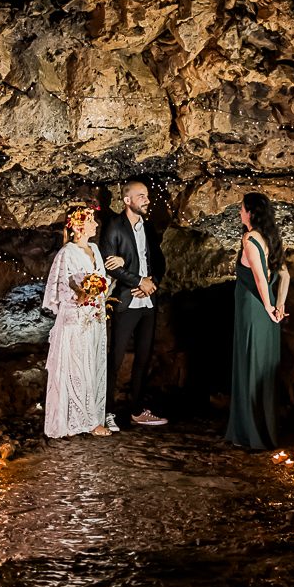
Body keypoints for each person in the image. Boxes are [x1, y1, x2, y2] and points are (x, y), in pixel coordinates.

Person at [42, 204, 125, 438]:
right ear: (78, 226)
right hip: (75, 320)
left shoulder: (95, 249)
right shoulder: (67, 253)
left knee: (94, 365)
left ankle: (93, 416)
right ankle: (83, 420)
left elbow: (102, 278)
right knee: (78, 369)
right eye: (91, 221)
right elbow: (63, 286)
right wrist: (81, 293)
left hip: (95, 318)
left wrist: (108, 278)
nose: (96, 224)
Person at [100, 179, 168, 428]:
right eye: (142, 196)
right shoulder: (113, 226)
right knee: (115, 359)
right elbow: (110, 265)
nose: (147, 200)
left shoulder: (149, 229)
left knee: (143, 357)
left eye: (147, 196)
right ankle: (105, 411)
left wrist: (153, 282)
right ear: (127, 200)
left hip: (148, 301)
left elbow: (160, 261)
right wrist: (140, 281)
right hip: (126, 301)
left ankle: (137, 409)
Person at [224, 192, 289, 450]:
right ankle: (260, 429)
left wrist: (270, 307)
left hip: (254, 310)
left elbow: (261, 279)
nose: (239, 213)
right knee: (261, 367)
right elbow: (284, 276)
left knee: (250, 366)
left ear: (250, 212)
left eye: (241, 209)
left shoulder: (250, 239)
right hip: (266, 311)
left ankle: (251, 433)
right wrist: (279, 304)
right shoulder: (270, 238)